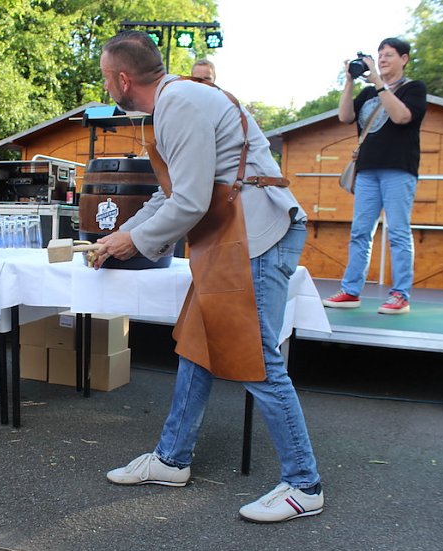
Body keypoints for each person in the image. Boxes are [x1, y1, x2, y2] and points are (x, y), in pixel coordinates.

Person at [94, 31, 323, 524]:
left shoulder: (178, 104)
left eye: (104, 77)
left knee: (259, 360)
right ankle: (172, 459)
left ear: (122, 79)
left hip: (256, 236)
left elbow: (191, 202)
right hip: (234, 235)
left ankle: (304, 484)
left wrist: (131, 242)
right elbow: (171, 196)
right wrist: (118, 236)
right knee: (197, 345)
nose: (105, 84)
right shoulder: (176, 101)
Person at [322, 38, 427, 315]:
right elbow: (345, 116)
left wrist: (379, 83)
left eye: (389, 55)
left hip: (398, 170)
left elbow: (402, 117)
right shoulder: (368, 94)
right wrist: (349, 82)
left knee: (398, 232)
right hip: (367, 170)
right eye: (379, 55)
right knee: (360, 232)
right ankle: (351, 290)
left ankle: (400, 295)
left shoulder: (413, 89)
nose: (382, 60)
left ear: (404, 58)